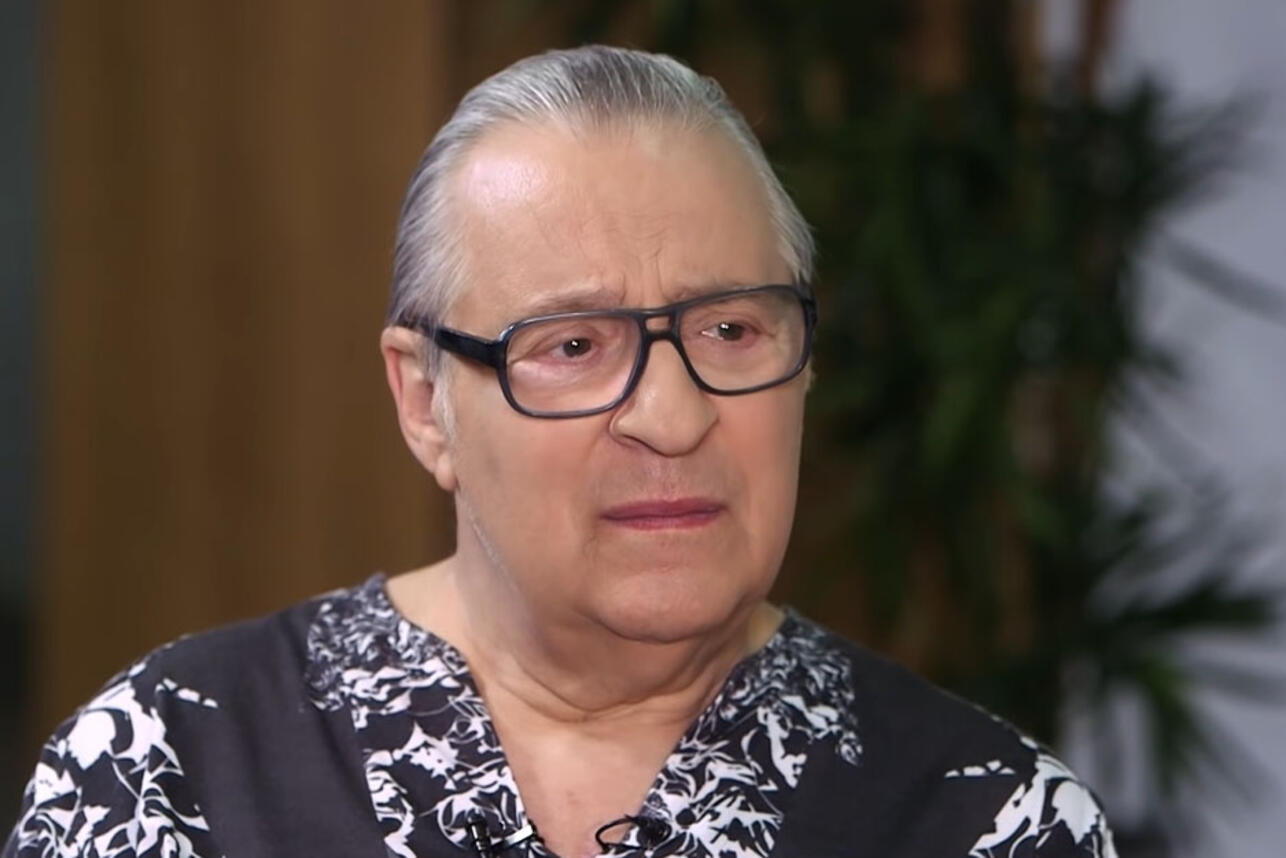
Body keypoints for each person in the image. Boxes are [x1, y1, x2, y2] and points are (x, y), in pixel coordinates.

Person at [5, 46, 1116, 858]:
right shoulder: (172, 768)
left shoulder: (987, 817)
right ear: (425, 402)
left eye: (731, 331)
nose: (672, 417)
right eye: (573, 346)